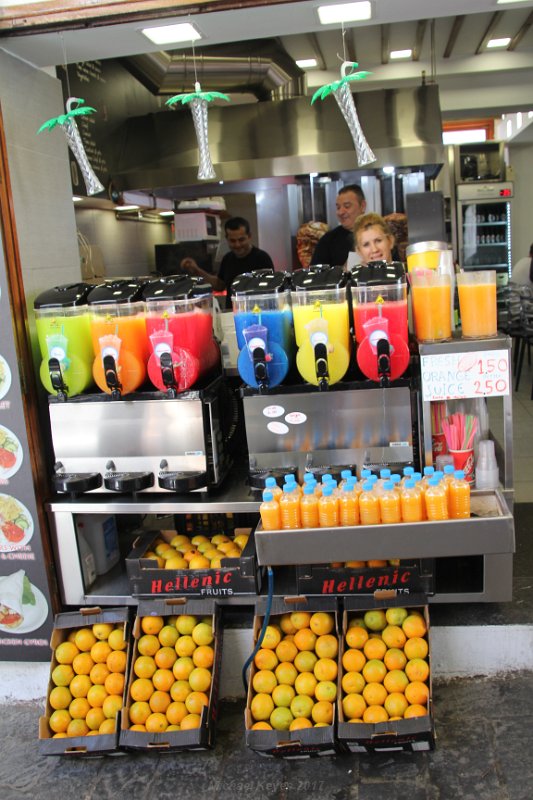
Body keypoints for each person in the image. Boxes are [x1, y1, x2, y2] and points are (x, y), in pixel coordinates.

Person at [180, 216, 274, 307]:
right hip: (232, 313)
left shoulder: (262, 258)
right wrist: (196, 270)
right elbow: (219, 285)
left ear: (249, 236)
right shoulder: (227, 259)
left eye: (241, 240)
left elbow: (271, 290)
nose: (237, 244)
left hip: (258, 312)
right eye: (232, 241)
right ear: (227, 239)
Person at [310, 184, 366, 266]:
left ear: (362, 206)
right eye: (338, 207)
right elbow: (316, 275)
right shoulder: (328, 240)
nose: (341, 212)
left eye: (347, 206)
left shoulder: (378, 233)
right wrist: (343, 271)